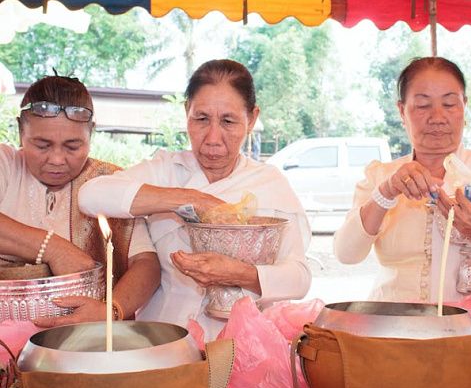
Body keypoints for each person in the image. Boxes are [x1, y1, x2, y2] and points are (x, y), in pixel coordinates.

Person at [79, 59, 311, 339]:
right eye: (201, 119)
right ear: (186, 112)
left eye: (228, 121)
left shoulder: (268, 183)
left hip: (243, 346)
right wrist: (187, 199)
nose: (213, 138)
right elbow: (90, 195)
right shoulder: (165, 171)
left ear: (252, 119)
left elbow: (299, 278)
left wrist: (240, 273)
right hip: (165, 339)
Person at [334, 57, 471, 303]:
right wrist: (386, 192)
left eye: (450, 103)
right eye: (422, 106)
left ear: (465, 105)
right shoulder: (381, 175)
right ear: (402, 110)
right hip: (392, 323)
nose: (438, 117)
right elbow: (346, 254)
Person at [0, 75, 160, 326]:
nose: (56, 159)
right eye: (42, 145)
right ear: (20, 131)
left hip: (85, 345)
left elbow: (146, 264)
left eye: (72, 146)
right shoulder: (6, 165)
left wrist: (111, 310)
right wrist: (53, 248)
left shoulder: (108, 182)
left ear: (91, 134)